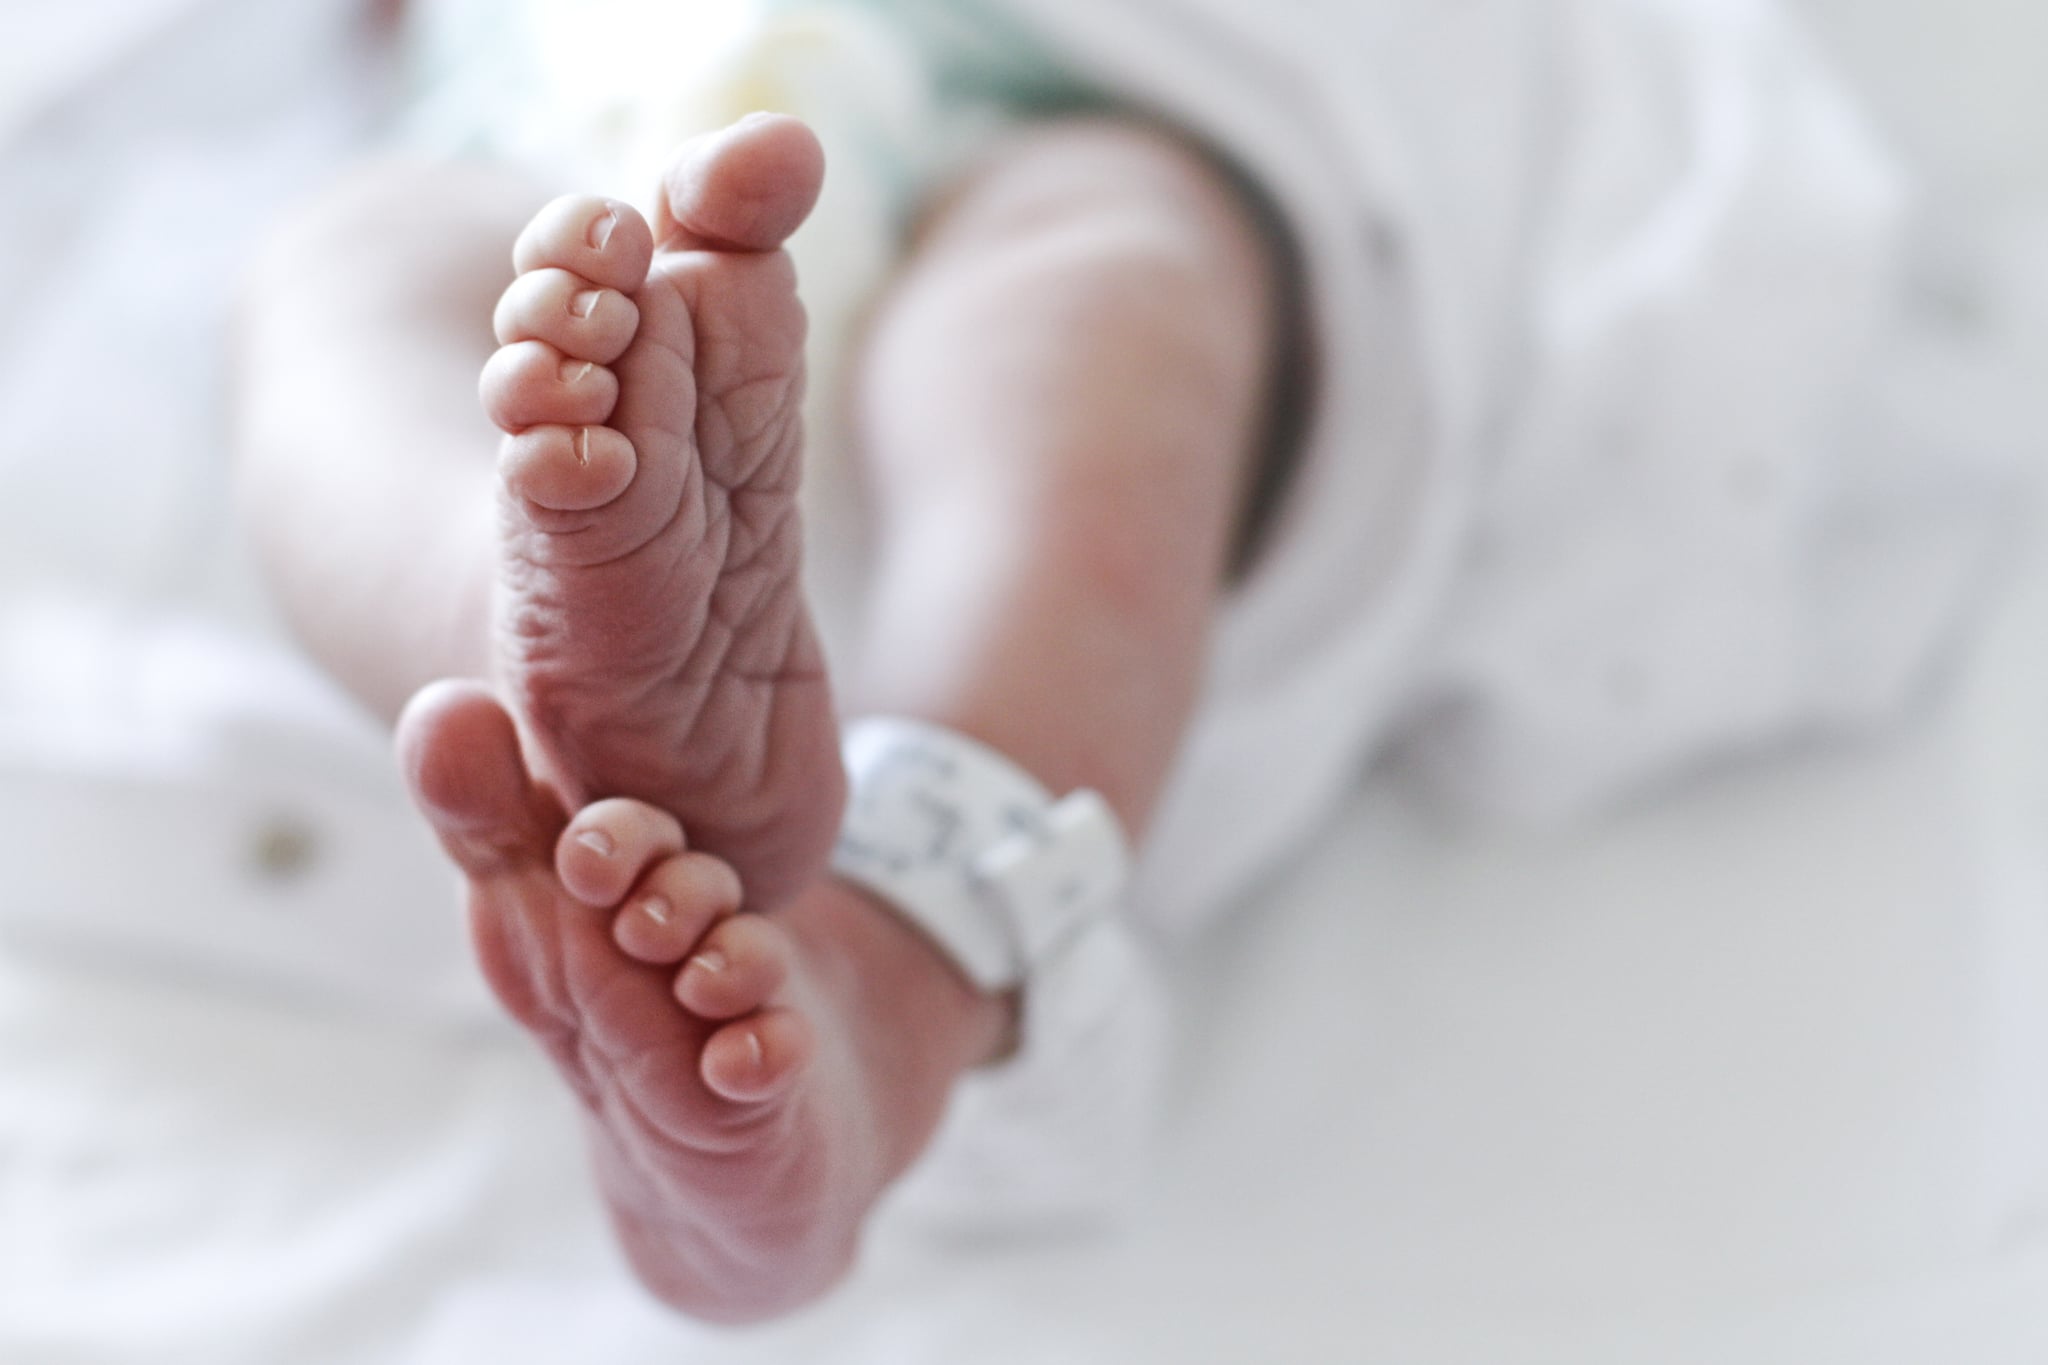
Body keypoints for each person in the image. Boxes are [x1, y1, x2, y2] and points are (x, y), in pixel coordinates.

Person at [231, 0, 2012, 1326]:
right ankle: (554, 629)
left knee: (1101, 286)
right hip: (575, 162)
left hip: (1064, 86)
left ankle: (881, 953)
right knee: (348, 279)